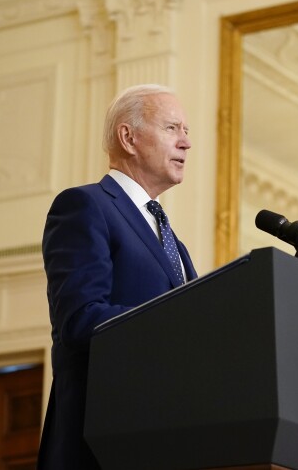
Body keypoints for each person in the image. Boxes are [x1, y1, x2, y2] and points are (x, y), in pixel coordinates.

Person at [37, 84, 197, 469]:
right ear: (129, 137)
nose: (186, 143)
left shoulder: (174, 242)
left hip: (166, 440)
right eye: (173, 128)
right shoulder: (85, 206)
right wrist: (176, 324)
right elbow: (80, 319)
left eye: (187, 132)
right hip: (102, 445)